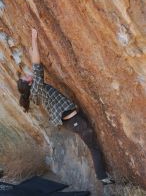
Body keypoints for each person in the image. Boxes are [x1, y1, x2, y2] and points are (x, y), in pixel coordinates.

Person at [17, 28, 115, 185]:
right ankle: (103, 177)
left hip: (73, 118)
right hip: (74, 120)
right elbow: (36, 65)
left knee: (93, 144)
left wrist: (31, 50)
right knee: (94, 147)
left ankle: (102, 175)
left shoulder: (35, 91)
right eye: (25, 76)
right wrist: (34, 39)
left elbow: (34, 67)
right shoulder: (37, 88)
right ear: (28, 83)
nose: (28, 74)